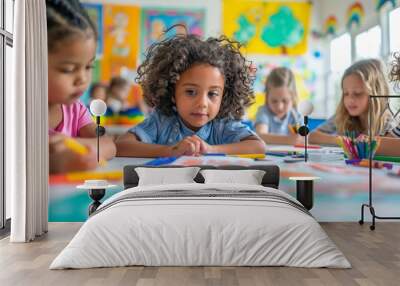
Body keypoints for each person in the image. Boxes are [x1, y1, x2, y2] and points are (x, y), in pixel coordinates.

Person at [116, 32, 265, 157]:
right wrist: (171, 151)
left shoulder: (222, 125)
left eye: (212, 93)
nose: (202, 103)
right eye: (190, 92)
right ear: (172, 92)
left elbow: (258, 147)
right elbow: (122, 146)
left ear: (224, 95)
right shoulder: (161, 121)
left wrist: (211, 150)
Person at [47, 0, 116, 173]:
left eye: (88, 67)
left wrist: (85, 148)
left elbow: (108, 144)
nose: (82, 79)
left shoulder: (76, 111)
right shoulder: (17, 116)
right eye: (68, 69)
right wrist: (54, 163)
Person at [309, 59, 398, 147]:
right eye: (346, 94)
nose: (350, 99)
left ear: (376, 94)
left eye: (358, 93)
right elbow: (312, 136)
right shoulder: (342, 116)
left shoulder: (390, 125)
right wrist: (343, 141)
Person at [254, 67, 303, 145]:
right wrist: (288, 140)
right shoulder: (264, 112)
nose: (279, 107)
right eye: (274, 101)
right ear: (267, 97)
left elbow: (300, 138)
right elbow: (260, 136)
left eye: (285, 101)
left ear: (293, 98)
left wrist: (298, 138)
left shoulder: (295, 115)